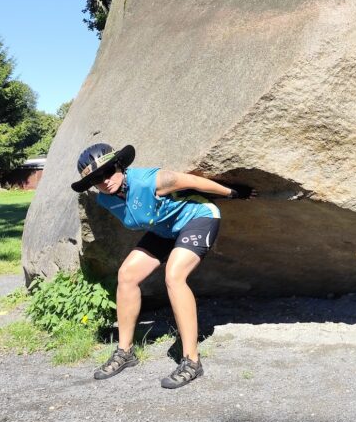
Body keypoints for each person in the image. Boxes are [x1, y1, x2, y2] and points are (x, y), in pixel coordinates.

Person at [70, 142, 253, 389]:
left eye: (107, 171)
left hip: (198, 218)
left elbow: (191, 182)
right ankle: (125, 352)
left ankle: (191, 361)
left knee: (174, 275)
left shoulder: (149, 180)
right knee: (127, 275)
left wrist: (231, 193)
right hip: (164, 230)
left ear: (119, 165)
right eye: (95, 179)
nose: (104, 181)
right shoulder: (106, 200)